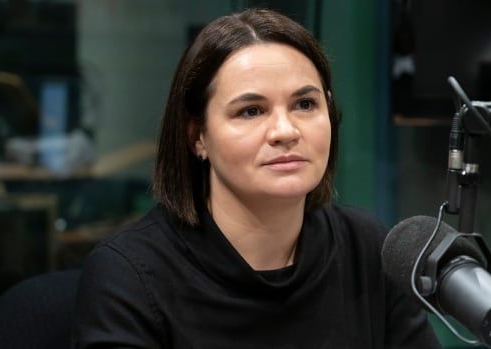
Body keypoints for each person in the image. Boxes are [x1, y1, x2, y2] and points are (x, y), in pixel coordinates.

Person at [73, 8, 441, 348]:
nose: (285, 130)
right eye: (251, 111)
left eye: (305, 104)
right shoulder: (129, 273)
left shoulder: (368, 246)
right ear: (197, 136)